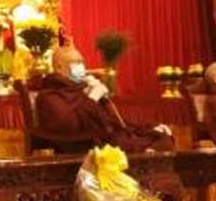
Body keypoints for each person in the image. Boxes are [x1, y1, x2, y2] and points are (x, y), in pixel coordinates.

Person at [33, 45, 174, 153]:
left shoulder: (82, 88)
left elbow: (114, 121)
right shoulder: (48, 96)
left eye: (82, 62)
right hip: (89, 145)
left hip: (109, 139)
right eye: (76, 62)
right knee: (159, 143)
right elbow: (69, 125)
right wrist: (92, 98)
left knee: (163, 136)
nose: (81, 67)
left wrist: (147, 127)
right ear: (59, 67)